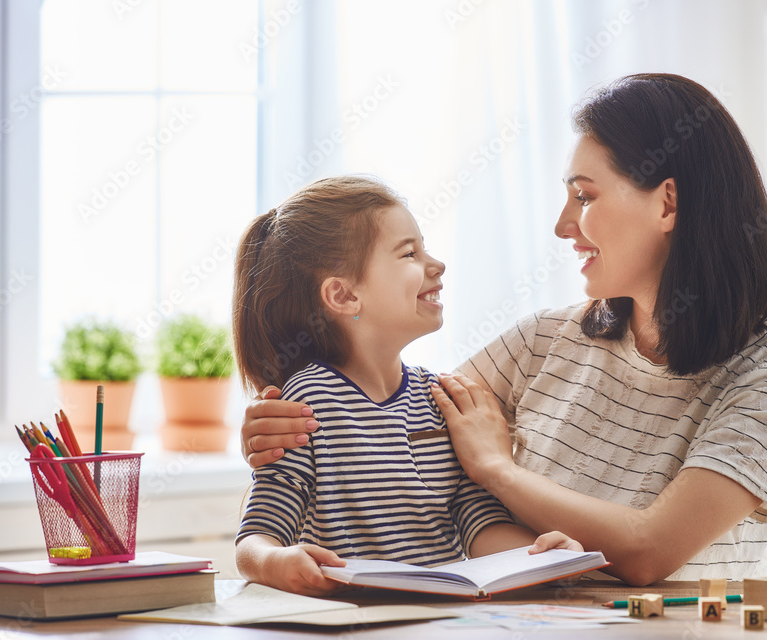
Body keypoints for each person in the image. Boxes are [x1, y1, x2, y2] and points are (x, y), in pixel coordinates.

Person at [238, 74, 767, 587]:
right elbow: (376, 426)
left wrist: (500, 472)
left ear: (667, 204)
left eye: (583, 196)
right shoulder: (540, 342)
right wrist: (276, 432)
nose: (561, 225)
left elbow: (648, 551)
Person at [232, 175, 578, 596]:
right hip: (351, 629)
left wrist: (542, 556)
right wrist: (277, 562)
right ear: (343, 296)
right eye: (409, 253)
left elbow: (477, 523)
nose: (436, 265)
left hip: (434, 624)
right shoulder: (308, 402)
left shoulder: (437, 399)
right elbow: (256, 539)